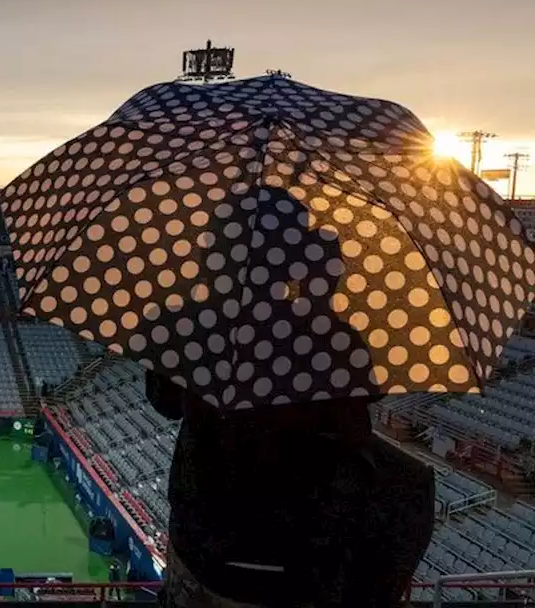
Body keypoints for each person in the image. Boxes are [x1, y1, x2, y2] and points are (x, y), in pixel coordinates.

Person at [147, 187, 435, 607]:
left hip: (204, 543)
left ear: (218, 249)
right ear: (299, 259)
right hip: (304, 558)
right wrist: (319, 301)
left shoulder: (189, 326)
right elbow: (355, 432)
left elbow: (165, 402)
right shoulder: (332, 338)